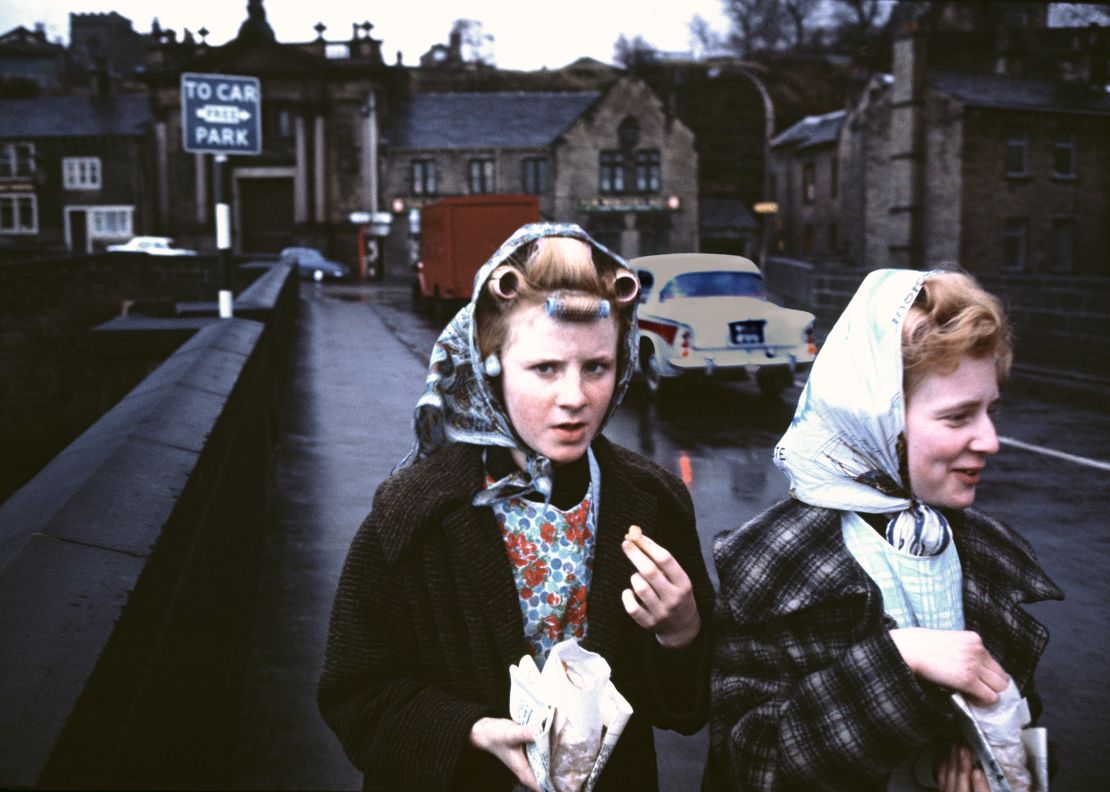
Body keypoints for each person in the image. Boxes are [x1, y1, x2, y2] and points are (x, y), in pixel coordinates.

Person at [319, 223, 714, 792]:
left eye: (595, 367)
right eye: (546, 369)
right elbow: (354, 696)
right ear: (491, 363)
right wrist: (469, 731)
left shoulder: (653, 503)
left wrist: (682, 634)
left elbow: (684, 711)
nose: (575, 397)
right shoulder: (414, 514)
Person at [706, 269, 1063, 792]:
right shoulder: (773, 562)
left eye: (990, 411)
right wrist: (899, 660)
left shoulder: (985, 556)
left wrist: (1003, 771)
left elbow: (1021, 723)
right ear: (878, 418)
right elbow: (755, 762)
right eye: (958, 417)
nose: (990, 441)